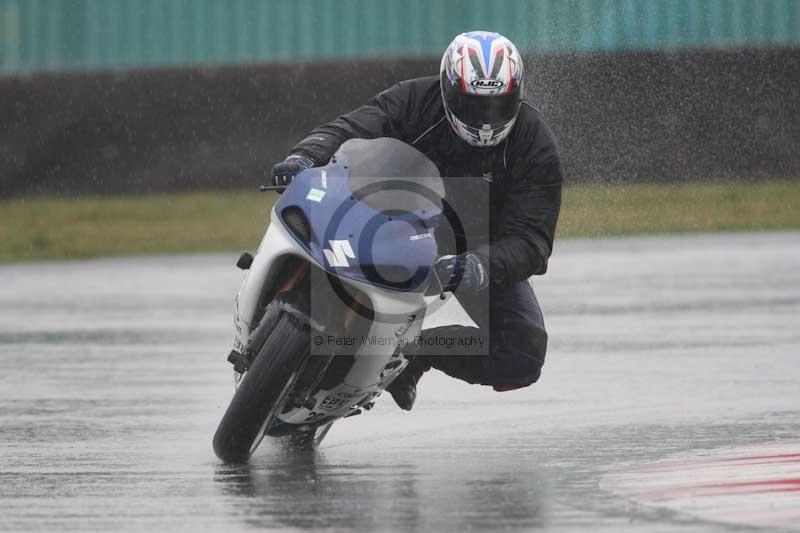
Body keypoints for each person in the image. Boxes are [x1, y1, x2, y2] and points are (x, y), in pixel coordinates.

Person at [271, 31, 563, 410]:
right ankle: (279, 293)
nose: (486, 119)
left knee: (523, 354)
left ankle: (416, 353)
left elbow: (533, 239)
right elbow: (354, 126)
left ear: (517, 95)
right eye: (473, 105)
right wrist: (305, 157)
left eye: (498, 104)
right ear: (447, 90)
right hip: (389, 218)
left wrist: (480, 265)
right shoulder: (414, 99)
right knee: (312, 215)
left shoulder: (535, 143)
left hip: (475, 250)